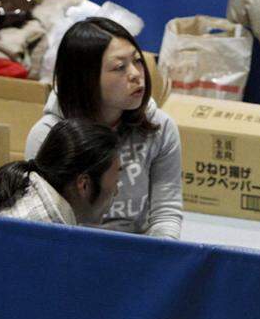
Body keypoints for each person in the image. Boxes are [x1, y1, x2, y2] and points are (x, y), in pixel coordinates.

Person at [24, 17, 182, 238]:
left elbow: (166, 212)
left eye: (137, 61)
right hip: (74, 249)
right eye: (120, 67)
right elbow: (45, 220)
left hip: (140, 248)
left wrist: (161, 254)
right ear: (86, 78)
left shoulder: (160, 127)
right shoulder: (47, 135)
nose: (136, 74)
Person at [0, 118, 120, 226]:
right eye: (115, 182)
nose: (116, 191)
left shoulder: (27, 187)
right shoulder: (48, 233)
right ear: (84, 185)